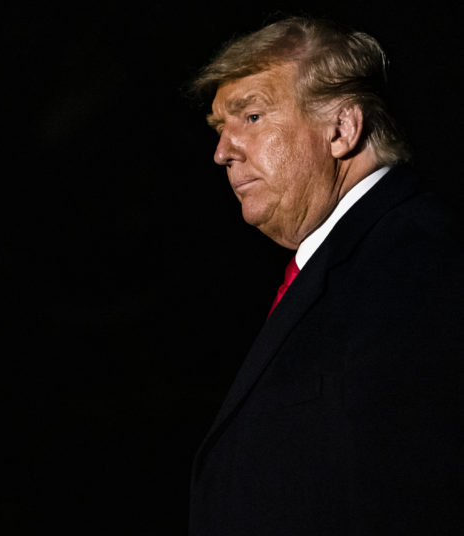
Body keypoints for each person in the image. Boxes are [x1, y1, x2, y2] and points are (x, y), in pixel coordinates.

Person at [187, 16, 464, 535]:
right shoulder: (353, 260)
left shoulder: (417, 261)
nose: (222, 152)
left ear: (341, 129)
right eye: (219, 129)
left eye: (250, 116)